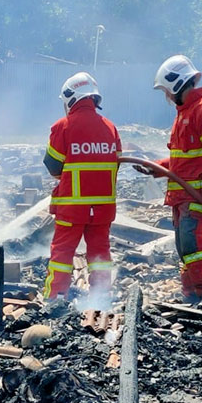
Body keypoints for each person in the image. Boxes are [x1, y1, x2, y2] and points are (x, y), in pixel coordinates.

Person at [135, 55, 202, 301]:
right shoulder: (184, 112)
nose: (166, 96)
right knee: (183, 248)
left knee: (192, 247)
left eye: (166, 90)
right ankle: (191, 295)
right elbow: (183, 159)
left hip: (196, 193)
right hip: (180, 195)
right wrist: (156, 167)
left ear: (176, 84)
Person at [42, 71, 121, 302]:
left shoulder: (63, 126)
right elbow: (116, 164)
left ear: (70, 97)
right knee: (100, 254)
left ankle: (55, 297)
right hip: (103, 209)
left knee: (62, 254)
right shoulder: (110, 128)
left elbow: (53, 166)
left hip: (72, 209)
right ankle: (101, 297)